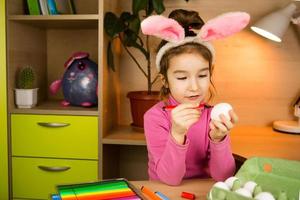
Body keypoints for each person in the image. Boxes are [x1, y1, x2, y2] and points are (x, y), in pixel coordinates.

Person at [141, 9, 250, 185]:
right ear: (165, 80)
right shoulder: (155, 117)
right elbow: (170, 180)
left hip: (202, 191)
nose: (194, 87)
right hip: (165, 193)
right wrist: (177, 133)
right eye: (182, 77)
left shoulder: (212, 116)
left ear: (211, 73)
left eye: (202, 75)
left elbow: (223, 177)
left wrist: (218, 139)